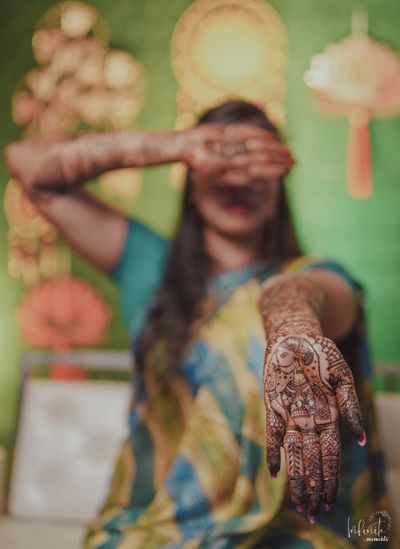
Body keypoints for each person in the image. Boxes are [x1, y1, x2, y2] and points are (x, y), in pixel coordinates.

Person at [5, 101, 388, 548]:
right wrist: (178, 144)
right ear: (191, 173)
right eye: (224, 161)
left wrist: (291, 325)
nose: (239, 181)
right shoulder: (149, 267)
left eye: (256, 163)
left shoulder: (314, 275)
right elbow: (29, 168)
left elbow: (308, 291)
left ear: (279, 180)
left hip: (284, 532)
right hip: (151, 529)